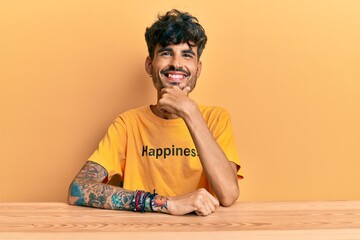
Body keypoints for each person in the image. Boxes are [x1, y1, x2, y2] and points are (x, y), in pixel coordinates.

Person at [68, 9, 242, 216]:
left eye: (187, 55)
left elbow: (229, 195)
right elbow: (78, 190)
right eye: (166, 53)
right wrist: (167, 203)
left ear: (198, 68)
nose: (176, 63)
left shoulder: (216, 119)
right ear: (150, 65)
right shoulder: (128, 124)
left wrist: (190, 112)